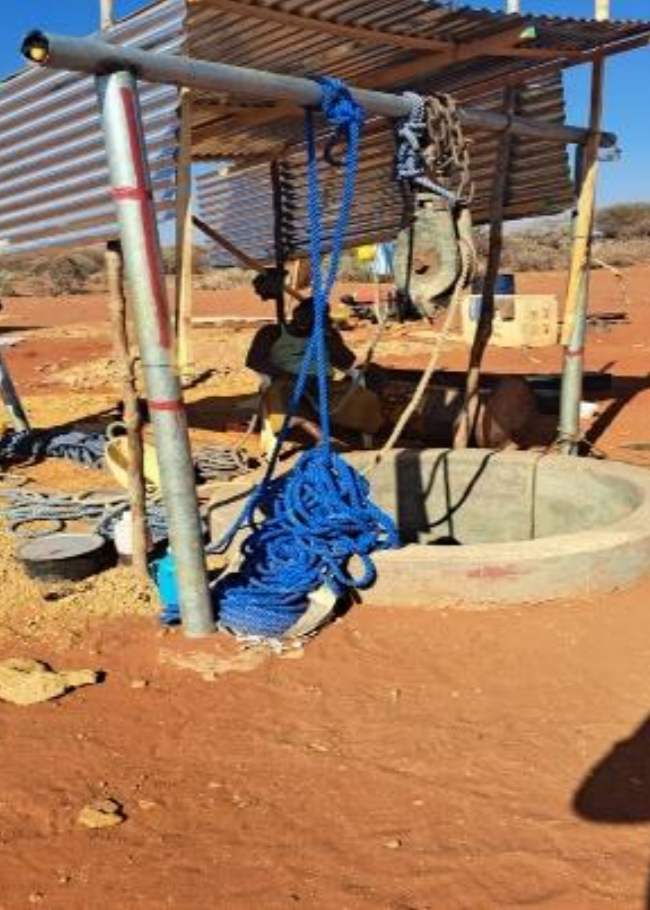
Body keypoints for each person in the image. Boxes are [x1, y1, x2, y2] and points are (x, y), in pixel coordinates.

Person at [246, 298, 384, 443]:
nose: (305, 319)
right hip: (286, 381)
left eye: (313, 317)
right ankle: (320, 436)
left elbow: (346, 361)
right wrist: (290, 376)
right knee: (281, 395)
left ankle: (361, 436)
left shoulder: (326, 335)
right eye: (304, 314)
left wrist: (329, 336)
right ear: (296, 313)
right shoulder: (272, 331)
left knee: (365, 396)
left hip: (324, 384)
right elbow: (254, 360)